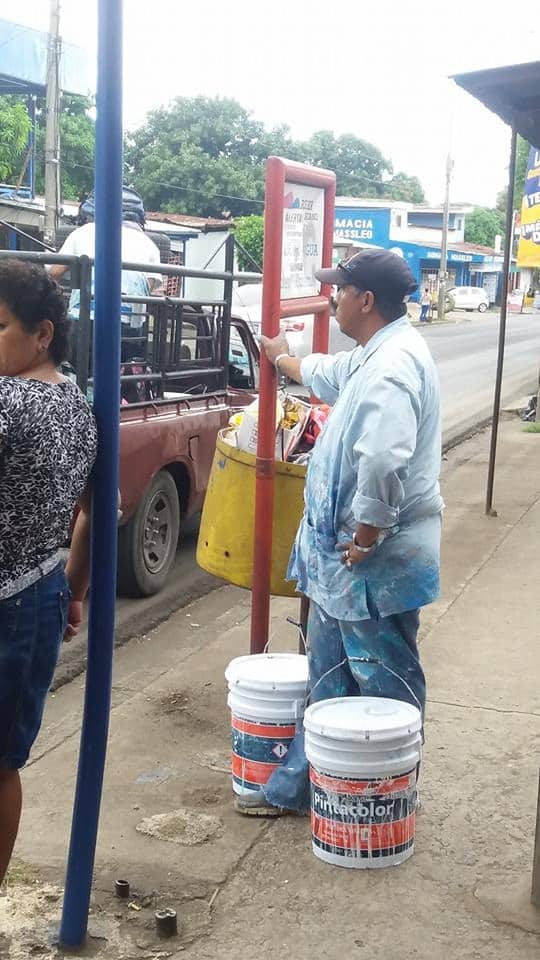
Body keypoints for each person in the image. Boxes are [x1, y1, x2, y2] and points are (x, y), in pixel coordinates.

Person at [242, 248, 443, 816]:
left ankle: (383, 793)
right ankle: (305, 786)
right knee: (328, 677)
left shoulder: (393, 364)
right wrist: (285, 361)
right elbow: (330, 376)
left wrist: (368, 534)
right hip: (344, 566)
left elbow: (383, 458)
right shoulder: (373, 354)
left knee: (384, 685)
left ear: (366, 300)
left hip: (373, 563)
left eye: (339, 290)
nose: (332, 299)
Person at [0, 260, 97, 885]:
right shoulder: (78, 407)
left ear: (42, 333)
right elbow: (93, 513)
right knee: (4, 764)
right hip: (38, 594)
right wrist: (74, 592)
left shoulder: (7, 401)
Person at [49, 186, 161, 361]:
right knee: (124, 376)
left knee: (79, 375)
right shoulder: (150, 245)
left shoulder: (82, 233)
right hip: (130, 329)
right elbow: (149, 286)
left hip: (84, 323)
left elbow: (53, 273)